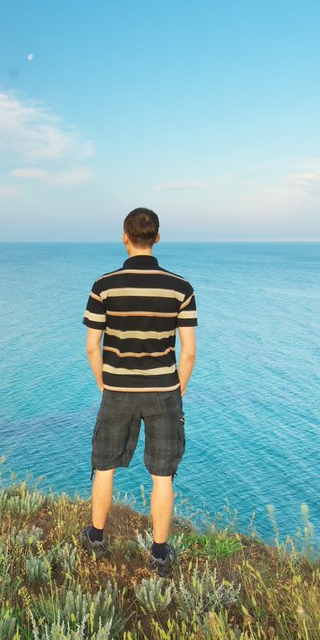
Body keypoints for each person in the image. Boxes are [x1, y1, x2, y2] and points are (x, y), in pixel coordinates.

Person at [81, 207, 197, 575]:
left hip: (117, 388)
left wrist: (105, 383)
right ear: (157, 238)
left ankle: (96, 538)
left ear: (125, 237)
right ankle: (159, 554)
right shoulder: (181, 288)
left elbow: (92, 347)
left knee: (104, 467)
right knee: (162, 476)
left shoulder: (104, 286)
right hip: (164, 390)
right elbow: (189, 352)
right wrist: (176, 390)